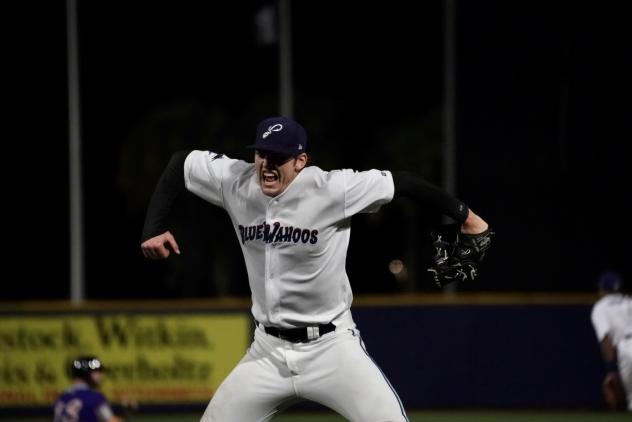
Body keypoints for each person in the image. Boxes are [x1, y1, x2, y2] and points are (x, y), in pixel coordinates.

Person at [141, 116, 490, 421]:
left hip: (332, 347)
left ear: (301, 161)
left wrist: (468, 218)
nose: (266, 164)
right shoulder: (236, 180)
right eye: (262, 153)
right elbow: (181, 162)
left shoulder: (332, 188)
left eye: (279, 157)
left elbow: (406, 183)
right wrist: (152, 227)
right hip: (267, 352)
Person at [590, 271, 632, 411]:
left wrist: (611, 371)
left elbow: (606, 340)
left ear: (602, 289)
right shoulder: (629, 301)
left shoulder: (600, 308)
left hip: (627, 348)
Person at [53, 356, 124, 422]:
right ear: (85, 373)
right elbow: (111, 420)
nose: (100, 375)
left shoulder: (62, 397)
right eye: (96, 371)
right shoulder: (94, 397)